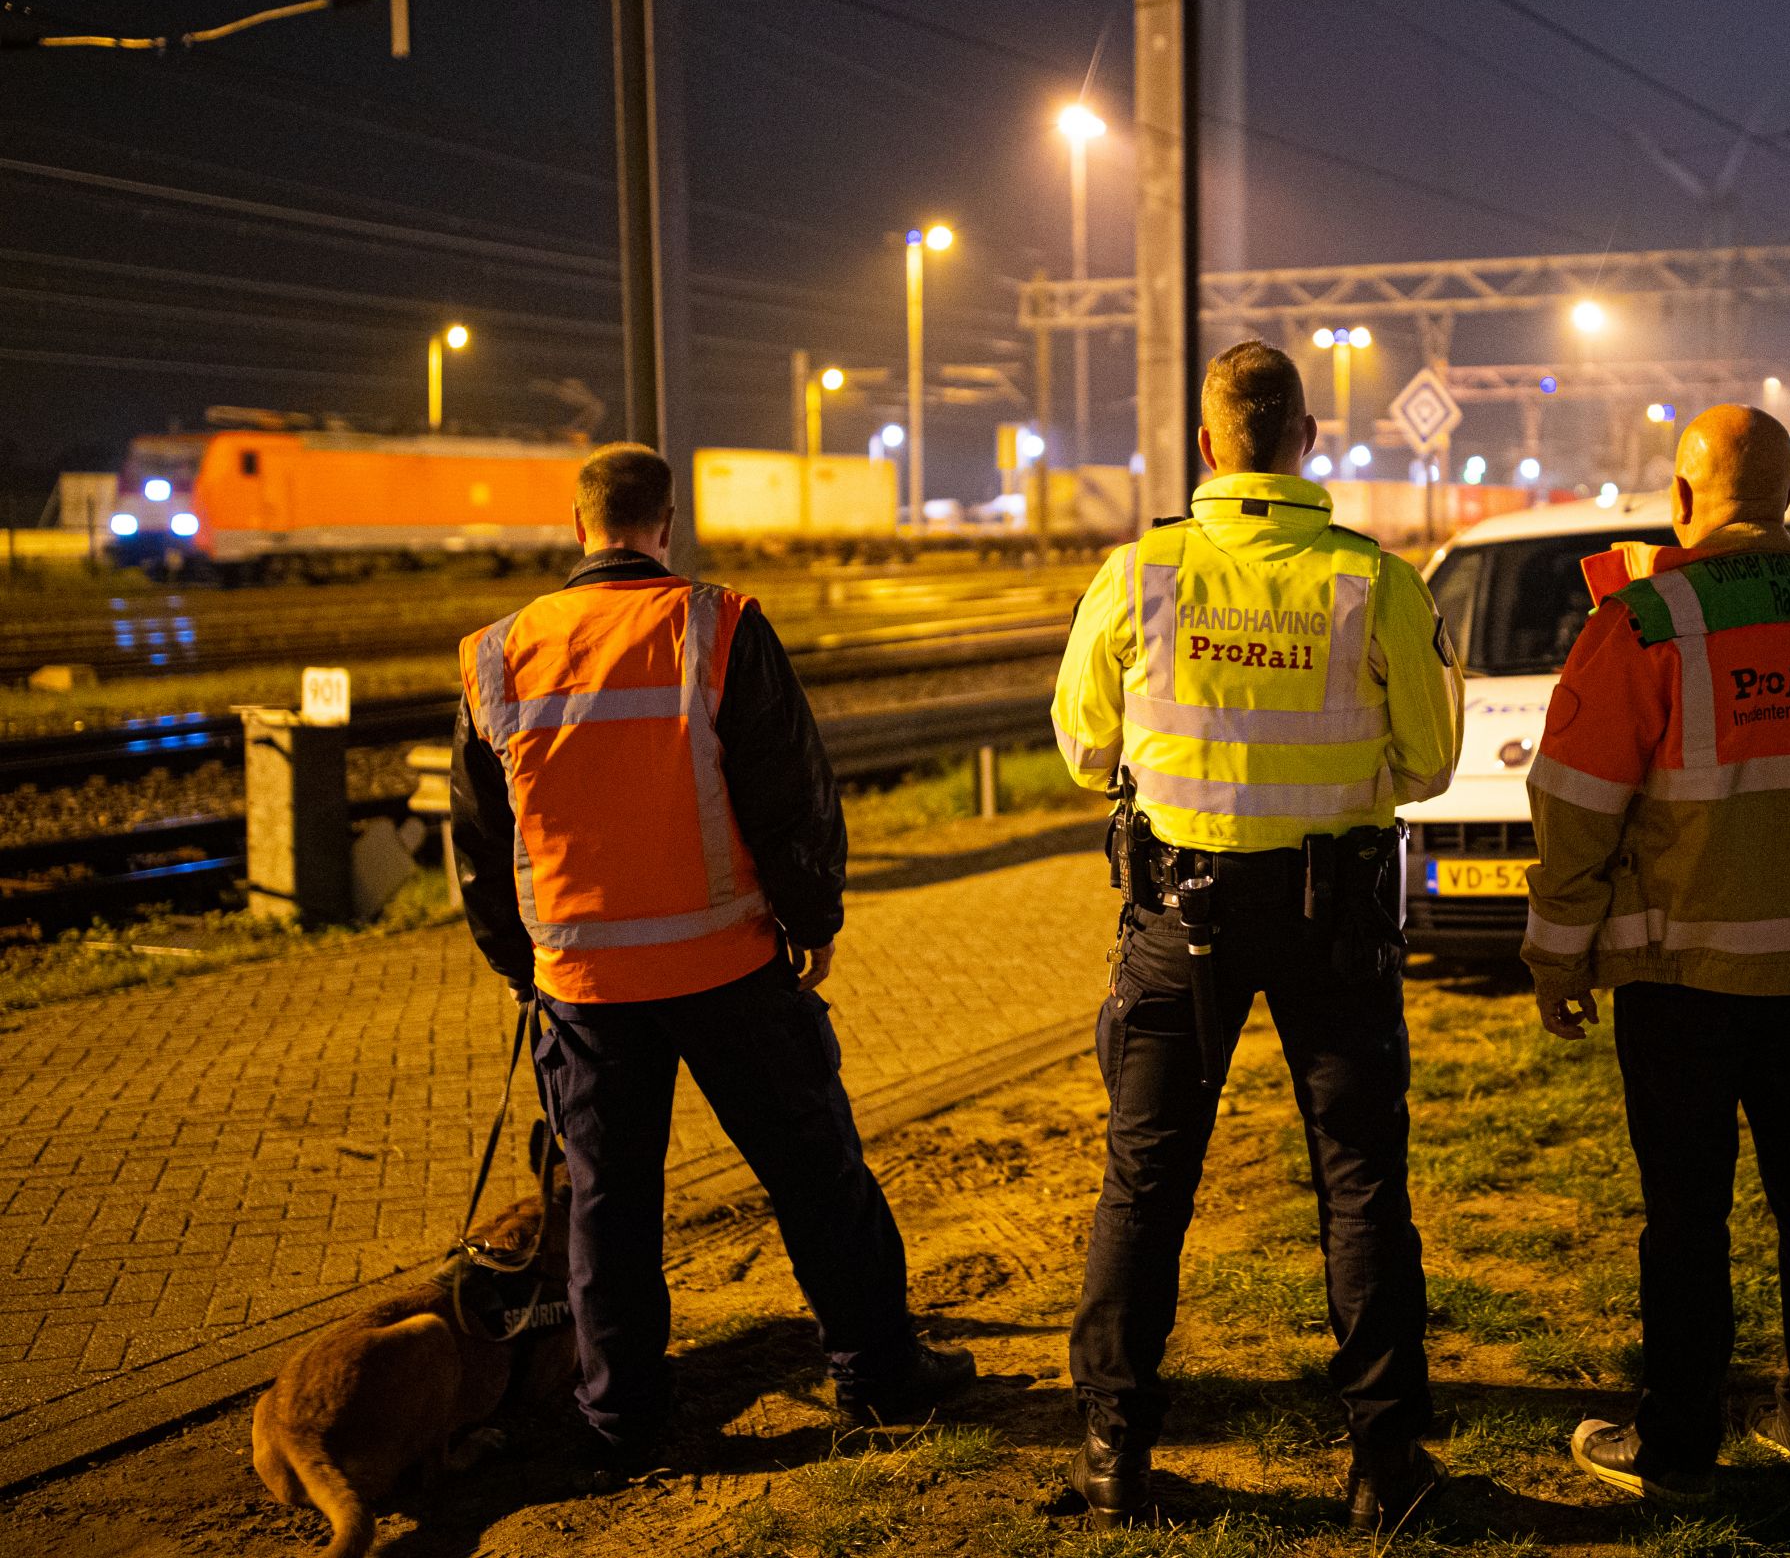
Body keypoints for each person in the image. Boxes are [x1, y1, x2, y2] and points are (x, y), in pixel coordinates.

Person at [451, 443, 972, 1484]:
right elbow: (790, 789)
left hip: (586, 990)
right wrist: (814, 911)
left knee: (608, 1205)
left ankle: (622, 1421)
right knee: (816, 1174)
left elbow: (477, 838)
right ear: (667, 524)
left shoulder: (498, 654)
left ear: (579, 524)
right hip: (727, 966)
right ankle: (878, 1375)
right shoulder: (716, 622)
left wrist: (524, 965)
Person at [1050, 341, 1465, 1531]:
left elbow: (1086, 755)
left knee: (1145, 1181)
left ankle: (1114, 1460)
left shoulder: (1141, 576)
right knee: (1362, 1186)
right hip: (1333, 925)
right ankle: (1386, 1468)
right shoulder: (1372, 582)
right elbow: (1431, 762)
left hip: (1179, 923)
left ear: (1205, 445)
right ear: (1308, 442)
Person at [1521, 405, 1790, 1505]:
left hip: (1680, 981)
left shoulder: (1648, 619)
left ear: (1680, 499)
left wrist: (1559, 958)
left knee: (1686, 1217)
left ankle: (1676, 1452)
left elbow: (1575, 806)